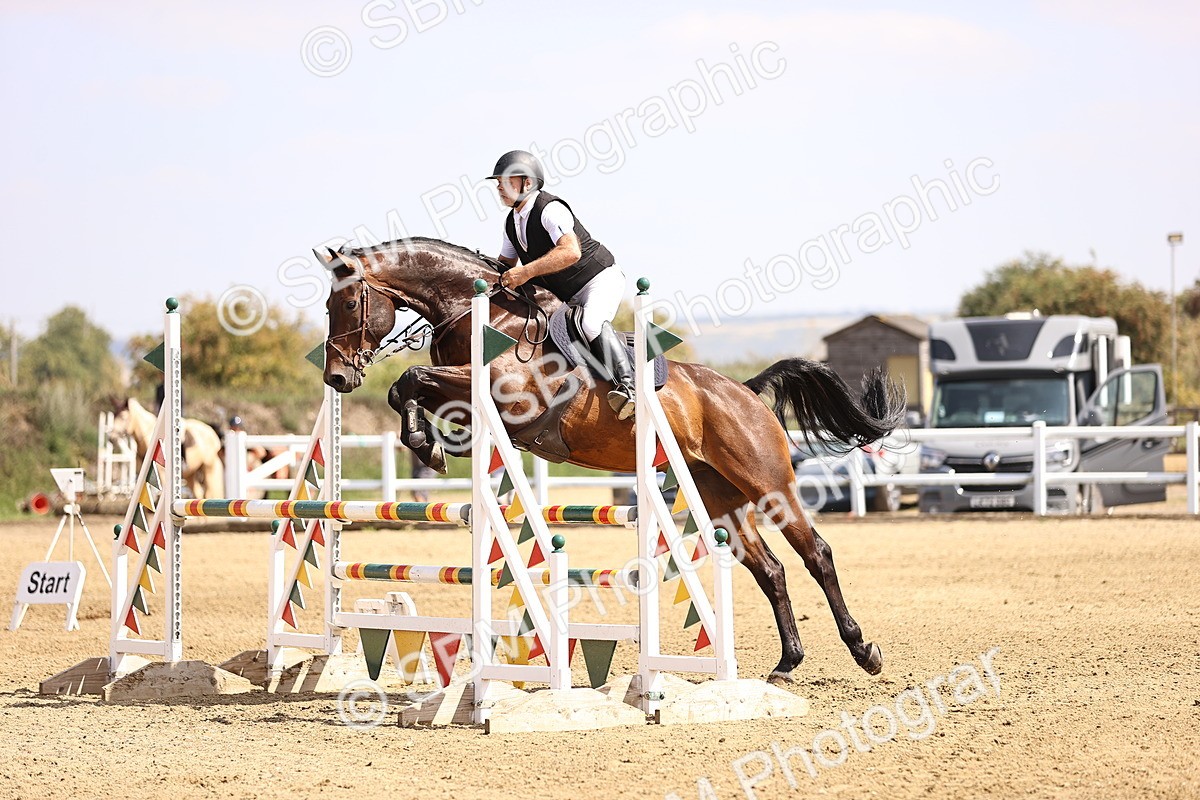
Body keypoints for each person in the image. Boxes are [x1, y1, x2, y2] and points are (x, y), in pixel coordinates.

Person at [488, 149, 636, 420]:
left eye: (506, 180)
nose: (499, 186)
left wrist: (526, 272)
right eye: (498, 182)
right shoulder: (511, 222)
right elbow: (505, 265)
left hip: (598, 279)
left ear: (527, 183)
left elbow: (570, 252)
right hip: (565, 296)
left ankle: (629, 387)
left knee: (591, 324)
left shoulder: (550, 209)